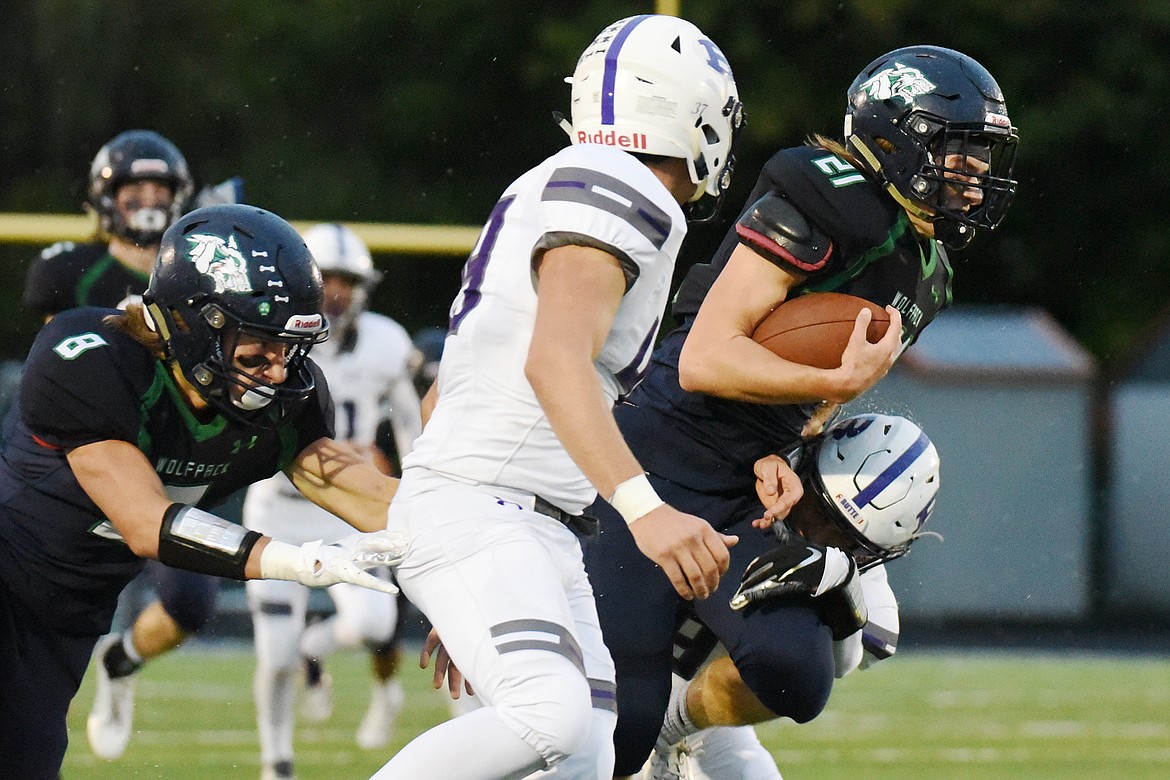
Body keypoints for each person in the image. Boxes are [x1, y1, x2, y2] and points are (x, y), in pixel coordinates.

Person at [581, 44, 1019, 778]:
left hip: (742, 488)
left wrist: (781, 451)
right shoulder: (826, 195)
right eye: (958, 156)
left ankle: (675, 732)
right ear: (894, 137)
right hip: (659, 461)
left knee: (797, 670)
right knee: (612, 736)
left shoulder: (929, 272)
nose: (972, 182)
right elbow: (705, 359)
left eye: (981, 163)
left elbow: (813, 397)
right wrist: (823, 393)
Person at [370, 14, 744, 780]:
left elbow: (449, 397)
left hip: (519, 522)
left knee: (583, 752)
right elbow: (555, 363)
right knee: (552, 715)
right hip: (490, 509)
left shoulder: (570, 182)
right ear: (692, 112)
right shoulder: (622, 185)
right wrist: (650, 513)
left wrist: (476, 599)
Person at [0, 203, 407, 779]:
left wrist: (470, 558)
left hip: (64, 621)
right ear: (192, 325)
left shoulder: (286, 405)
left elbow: (373, 498)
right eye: (257, 350)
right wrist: (294, 559)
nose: (277, 373)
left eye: (289, 351)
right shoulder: (92, 360)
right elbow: (144, 521)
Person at [19, 129, 248, 761]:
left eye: (159, 188)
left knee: (190, 604)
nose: (147, 199)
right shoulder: (72, 271)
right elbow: (60, 376)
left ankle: (120, 663)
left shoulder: (211, 276)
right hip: (90, 466)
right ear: (105, 197)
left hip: (173, 462)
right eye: (134, 187)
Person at [640, 413, 940, 780]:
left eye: (840, 536)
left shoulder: (867, 589)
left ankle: (667, 734)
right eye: (816, 507)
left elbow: (839, 665)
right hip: (618, 661)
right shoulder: (743, 470)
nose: (811, 532)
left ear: (873, 552)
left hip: (688, 711)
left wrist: (842, 588)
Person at [242, 223, 422, 780]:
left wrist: (418, 486)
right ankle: (277, 764)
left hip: (345, 506)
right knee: (274, 653)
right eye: (330, 280)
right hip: (277, 506)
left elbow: (413, 428)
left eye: (349, 282)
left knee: (372, 624)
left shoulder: (387, 343)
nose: (339, 293)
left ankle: (313, 649)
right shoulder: (266, 335)